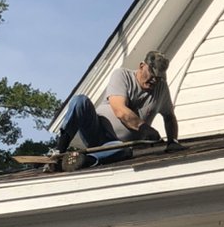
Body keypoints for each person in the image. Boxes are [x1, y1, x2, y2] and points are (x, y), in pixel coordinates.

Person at [46, 50, 182, 172]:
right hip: (96, 130)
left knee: (124, 150)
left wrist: (172, 142)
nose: (154, 80)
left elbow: (169, 116)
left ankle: (83, 160)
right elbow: (120, 110)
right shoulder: (122, 75)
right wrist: (144, 128)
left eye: (158, 78)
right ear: (142, 66)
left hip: (117, 145)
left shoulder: (161, 89)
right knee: (80, 101)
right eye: (152, 74)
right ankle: (58, 152)